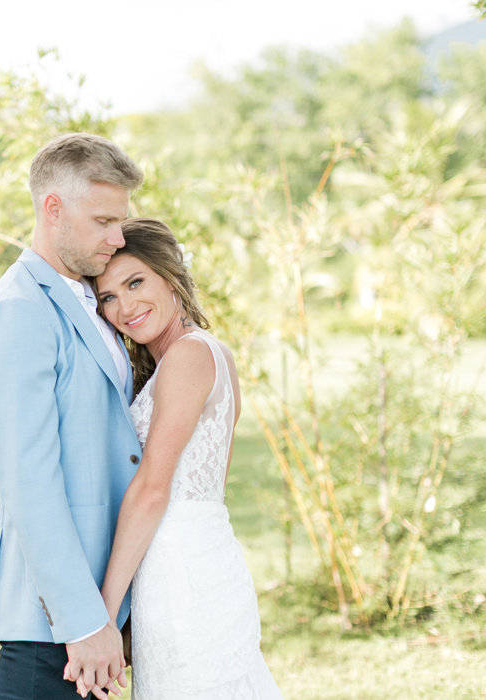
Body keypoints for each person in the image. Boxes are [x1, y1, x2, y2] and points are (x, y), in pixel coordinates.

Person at [0, 133, 145, 699]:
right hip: (55, 624)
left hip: (99, 604)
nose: (118, 238)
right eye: (103, 221)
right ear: (53, 209)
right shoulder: (18, 312)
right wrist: (83, 621)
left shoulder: (92, 297)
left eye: (121, 221)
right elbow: (29, 484)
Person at [81, 217, 283, 698]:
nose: (124, 307)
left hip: (183, 577)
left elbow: (154, 490)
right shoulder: (202, 354)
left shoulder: (189, 357)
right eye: (107, 296)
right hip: (184, 565)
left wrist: (102, 617)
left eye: (135, 282)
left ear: (170, 276)